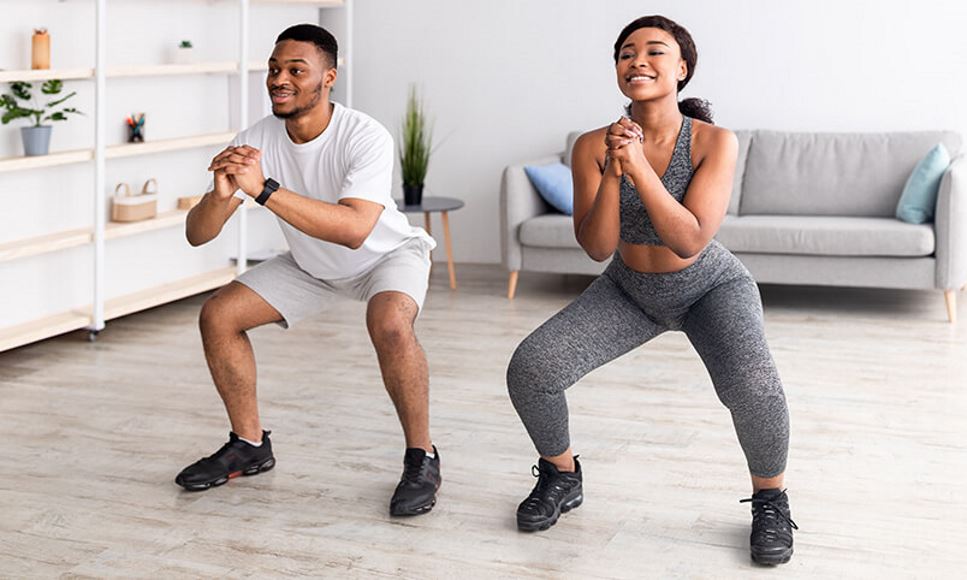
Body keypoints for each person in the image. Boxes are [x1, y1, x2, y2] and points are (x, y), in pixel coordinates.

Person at [506, 15, 797, 565]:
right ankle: (562, 475)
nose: (638, 60)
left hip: (710, 285)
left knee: (754, 388)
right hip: (628, 289)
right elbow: (596, 247)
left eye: (655, 52)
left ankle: (770, 499)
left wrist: (639, 166)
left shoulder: (715, 141)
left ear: (682, 69)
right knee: (532, 369)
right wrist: (614, 170)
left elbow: (689, 239)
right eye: (626, 53)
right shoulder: (593, 145)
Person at [175, 24, 441, 517]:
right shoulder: (256, 139)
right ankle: (250, 444)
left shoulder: (364, 135)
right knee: (218, 316)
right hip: (313, 264)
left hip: (386, 256)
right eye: (275, 69)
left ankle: (421, 456)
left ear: (329, 78)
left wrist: (263, 189)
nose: (280, 79)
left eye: (297, 70)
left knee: (389, 324)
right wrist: (219, 194)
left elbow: (357, 229)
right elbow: (198, 234)